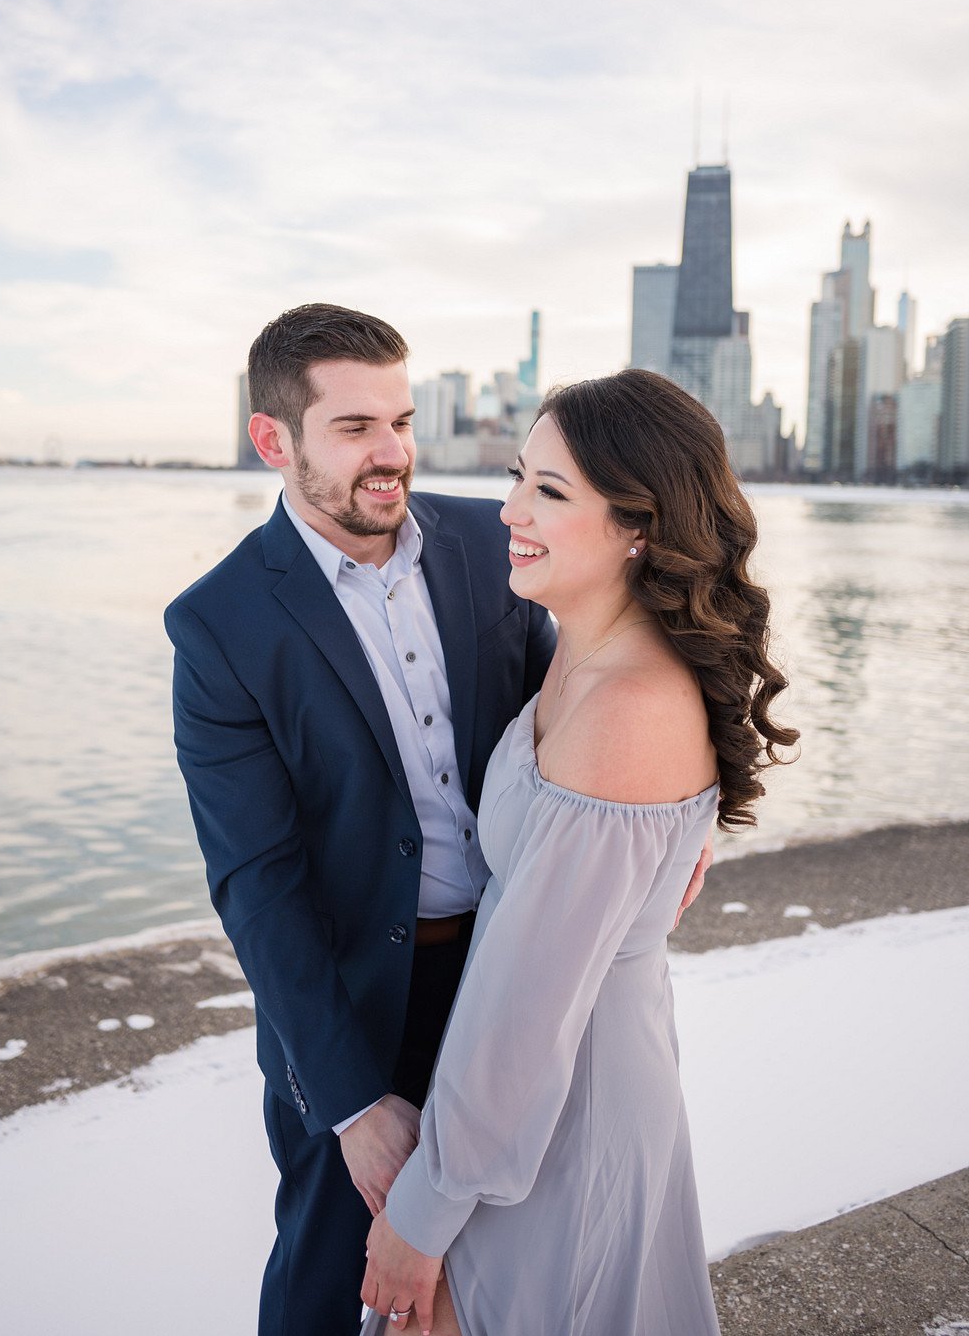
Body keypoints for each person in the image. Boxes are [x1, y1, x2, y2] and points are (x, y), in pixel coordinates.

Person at [361, 369, 798, 1336]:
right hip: (538, 1101)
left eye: (549, 492)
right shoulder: (579, 643)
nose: (510, 509)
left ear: (639, 526)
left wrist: (424, 1211)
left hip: (567, 1117)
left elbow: (526, 1009)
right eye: (518, 475)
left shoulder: (629, 707)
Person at [164, 302, 562, 1333]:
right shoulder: (220, 625)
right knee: (329, 1279)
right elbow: (257, 881)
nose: (392, 455)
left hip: (510, 971)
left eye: (402, 420)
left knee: (505, 1267)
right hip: (353, 1012)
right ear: (273, 440)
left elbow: (580, 706)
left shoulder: (493, 540)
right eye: (354, 429)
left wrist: (677, 824)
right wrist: (346, 1100)